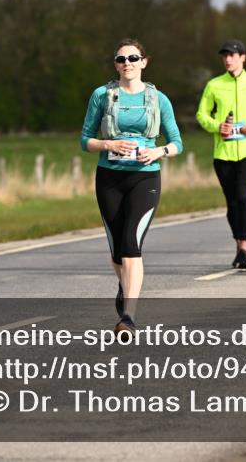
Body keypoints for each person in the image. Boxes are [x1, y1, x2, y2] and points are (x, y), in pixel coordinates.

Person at [81, 39, 182, 334]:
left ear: (144, 62)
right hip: (109, 177)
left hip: (145, 177)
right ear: (115, 64)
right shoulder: (102, 95)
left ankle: (128, 316)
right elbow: (85, 140)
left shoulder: (158, 99)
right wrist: (108, 143)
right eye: (121, 59)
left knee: (131, 242)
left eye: (133, 58)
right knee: (116, 249)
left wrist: (158, 152)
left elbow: (177, 142)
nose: (128, 63)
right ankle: (125, 285)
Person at [196, 39, 246, 269]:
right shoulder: (214, 85)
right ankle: (238, 245)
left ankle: (244, 248)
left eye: (232, 55)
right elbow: (202, 115)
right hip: (223, 153)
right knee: (231, 203)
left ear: (243, 57)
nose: (228, 59)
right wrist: (217, 126)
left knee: (242, 196)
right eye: (225, 56)